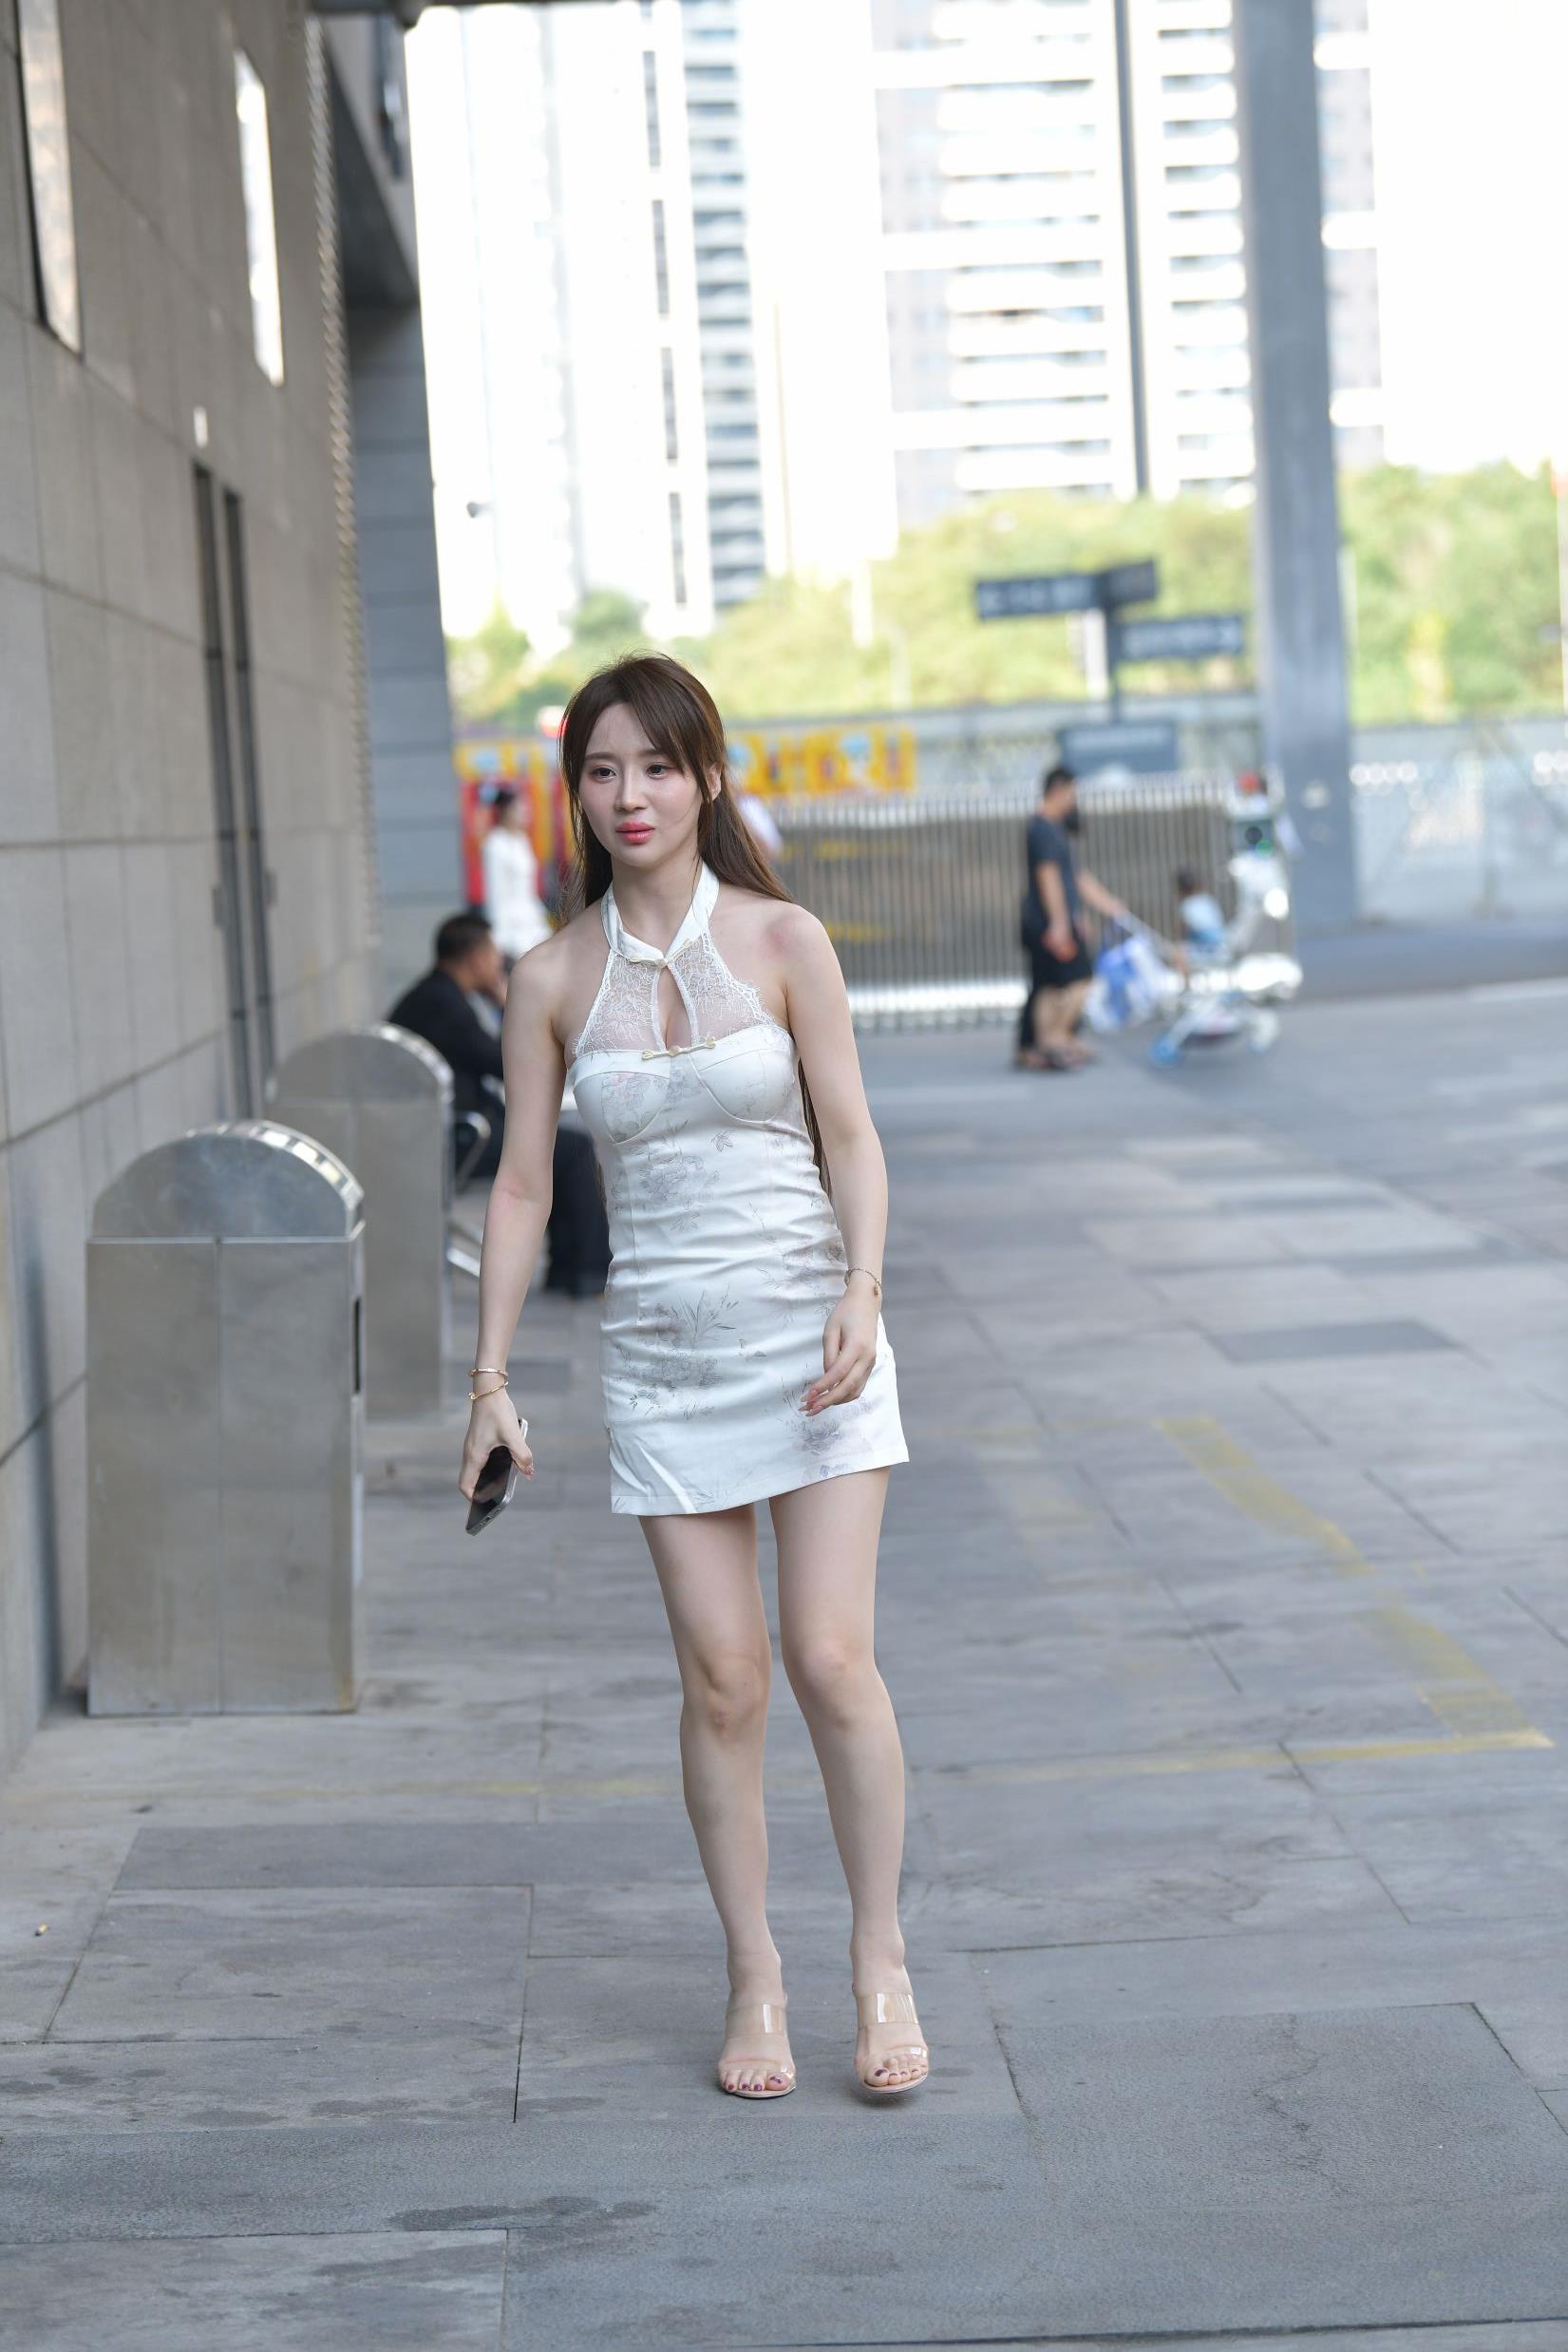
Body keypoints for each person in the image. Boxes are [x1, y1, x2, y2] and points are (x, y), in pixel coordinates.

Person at [457, 653, 928, 2101]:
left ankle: (878, 1959)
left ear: (705, 778)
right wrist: (488, 1376)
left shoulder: (785, 940)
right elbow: (523, 1186)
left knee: (827, 1658)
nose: (630, 795)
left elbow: (850, 1135)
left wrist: (861, 1290)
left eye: (656, 767)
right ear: (577, 794)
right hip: (663, 1361)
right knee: (721, 1680)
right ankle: (753, 1975)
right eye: (602, 771)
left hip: (813, 1341)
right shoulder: (550, 978)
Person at [388, 914, 609, 1294]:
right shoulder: (443, 1005)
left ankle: (571, 1269)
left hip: (444, 1130)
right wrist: (510, 1004)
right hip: (455, 1137)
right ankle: (584, 1272)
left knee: (561, 1146)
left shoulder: (435, 996)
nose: (498, 962)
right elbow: (507, 1062)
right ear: (475, 958)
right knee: (572, 1151)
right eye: (492, 953)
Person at [1013, 763, 1134, 1072]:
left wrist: (1102, 906)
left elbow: (1075, 878)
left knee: (1047, 985)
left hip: (1053, 919)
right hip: (1047, 920)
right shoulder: (1042, 829)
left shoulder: (1053, 829)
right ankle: (1055, 1038)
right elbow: (1049, 877)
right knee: (1078, 979)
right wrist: (1060, 922)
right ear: (1058, 791)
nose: (1074, 801)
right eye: (1071, 793)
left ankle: (1047, 1043)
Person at [481, 787, 553, 963]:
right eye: (519, 807)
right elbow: (495, 894)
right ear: (505, 811)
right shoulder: (495, 844)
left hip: (533, 920)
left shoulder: (522, 839)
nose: (525, 812)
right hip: (511, 929)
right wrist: (499, 938)